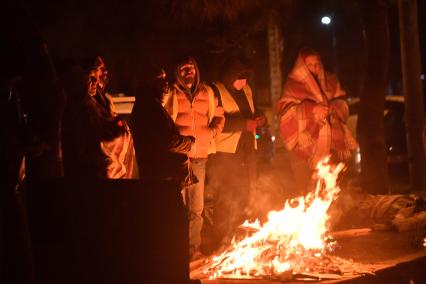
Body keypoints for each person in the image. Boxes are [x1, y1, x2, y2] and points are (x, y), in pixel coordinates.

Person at [162, 56, 225, 260]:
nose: (188, 71)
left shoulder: (207, 92)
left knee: (196, 208)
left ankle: (192, 250)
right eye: (184, 68)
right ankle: (176, 249)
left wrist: (213, 132)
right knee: (177, 206)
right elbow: (163, 119)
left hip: (199, 157)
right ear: (177, 72)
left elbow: (220, 115)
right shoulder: (170, 92)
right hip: (177, 158)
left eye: (191, 67)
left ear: (196, 70)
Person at [276, 47, 357, 196]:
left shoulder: (330, 80)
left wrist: (330, 109)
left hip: (331, 144)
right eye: (309, 64)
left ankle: (334, 217)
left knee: (332, 188)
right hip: (304, 148)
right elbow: (285, 112)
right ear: (302, 66)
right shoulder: (293, 85)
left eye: (316, 64)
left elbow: (342, 104)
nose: (314, 68)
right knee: (305, 192)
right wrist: (312, 109)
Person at [207, 55, 266, 248]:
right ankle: (220, 238)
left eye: (246, 77)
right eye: (240, 77)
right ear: (230, 75)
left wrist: (260, 118)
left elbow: (252, 111)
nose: (244, 81)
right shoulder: (216, 90)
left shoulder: (246, 89)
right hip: (226, 153)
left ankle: (238, 235)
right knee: (225, 195)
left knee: (244, 192)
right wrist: (245, 124)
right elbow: (216, 122)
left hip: (247, 151)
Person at [62, 57, 137, 179]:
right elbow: (98, 139)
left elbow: (114, 123)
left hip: (115, 171)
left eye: (94, 77)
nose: (95, 81)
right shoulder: (80, 108)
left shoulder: (103, 100)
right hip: (97, 174)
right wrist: (118, 129)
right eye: (89, 77)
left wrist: (120, 125)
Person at [131, 65, 195, 187]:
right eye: (160, 79)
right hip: (163, 177)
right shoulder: (149, 107)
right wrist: (189, 143)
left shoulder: (151, 105)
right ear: (148, 83)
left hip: (163, 175)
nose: (165, 83)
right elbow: (170, 140)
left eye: (165, 78)